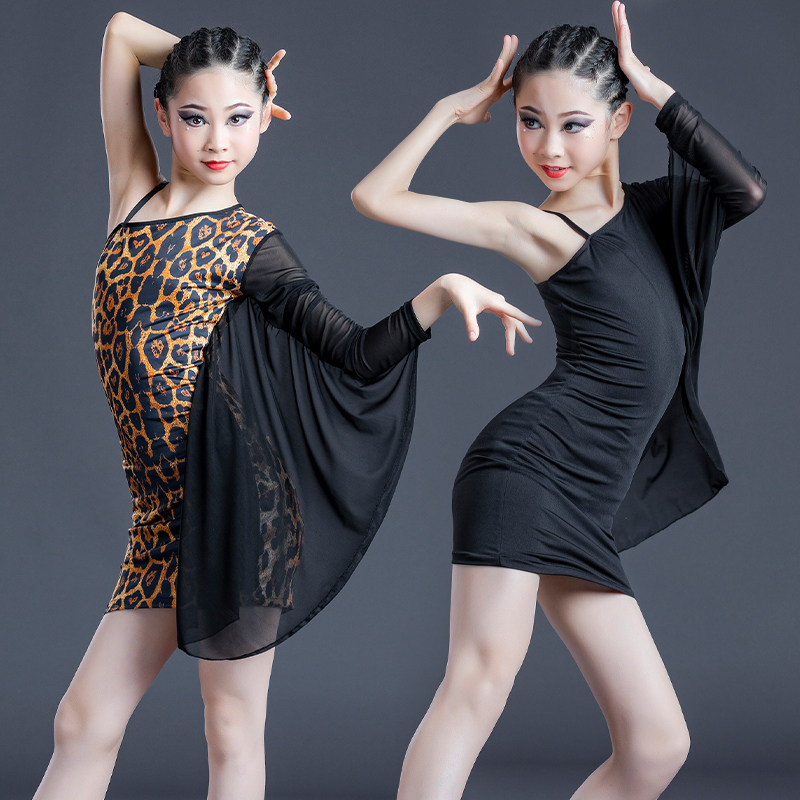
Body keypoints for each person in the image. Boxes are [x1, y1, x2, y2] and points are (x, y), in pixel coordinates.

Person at [33, 12, 539, 800]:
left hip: (240, 509)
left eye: (240, 116)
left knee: (230, 728)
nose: (217, 139)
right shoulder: (132, 196)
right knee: (82, 722)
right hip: (159, 517)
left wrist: (440, 293)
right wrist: (232, 67)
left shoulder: (251, 243)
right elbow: (122, 34)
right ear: (161, 114)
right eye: (195, 116)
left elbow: (354, 353)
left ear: (265, 119)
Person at [352, 2, 765, 798]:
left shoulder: (656, 212)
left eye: (573, 125)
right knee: (476, 685)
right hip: (529, 472)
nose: (548, 148)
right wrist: (448, 111)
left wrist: (655, 89)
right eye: (529, 122)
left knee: (657, 744)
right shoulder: (538, 229)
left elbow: (743, 190)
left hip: (582, 502)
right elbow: (377, 196)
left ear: (618, 121)